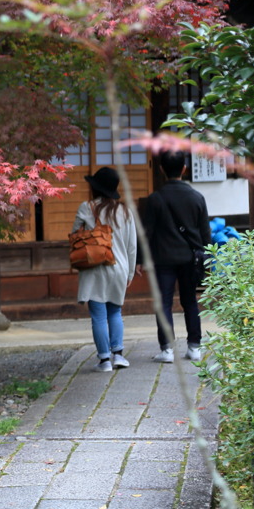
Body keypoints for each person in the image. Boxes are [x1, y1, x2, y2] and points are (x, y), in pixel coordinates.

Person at [143, 150, 211, 363]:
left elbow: (146, 232)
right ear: (184, 168)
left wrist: (140, 260)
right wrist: (206, 259)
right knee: (190, 301)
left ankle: (166, 350)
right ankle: (194, 347)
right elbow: (205, 234)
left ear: (162, 169)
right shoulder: (197, 197)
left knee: (163, 302)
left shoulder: (155, 199)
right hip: (190, 258)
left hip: (163, 259)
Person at [72, 167, 138, 372]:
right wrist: (130, 272)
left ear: (95, 188)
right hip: (118, 267)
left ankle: (104, 361)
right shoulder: (125, 211)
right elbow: (131, 245)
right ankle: (118, 355)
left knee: (99, 316)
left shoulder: (86, 207)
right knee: (115, 312)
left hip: (94, 267)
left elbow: (75, 234)